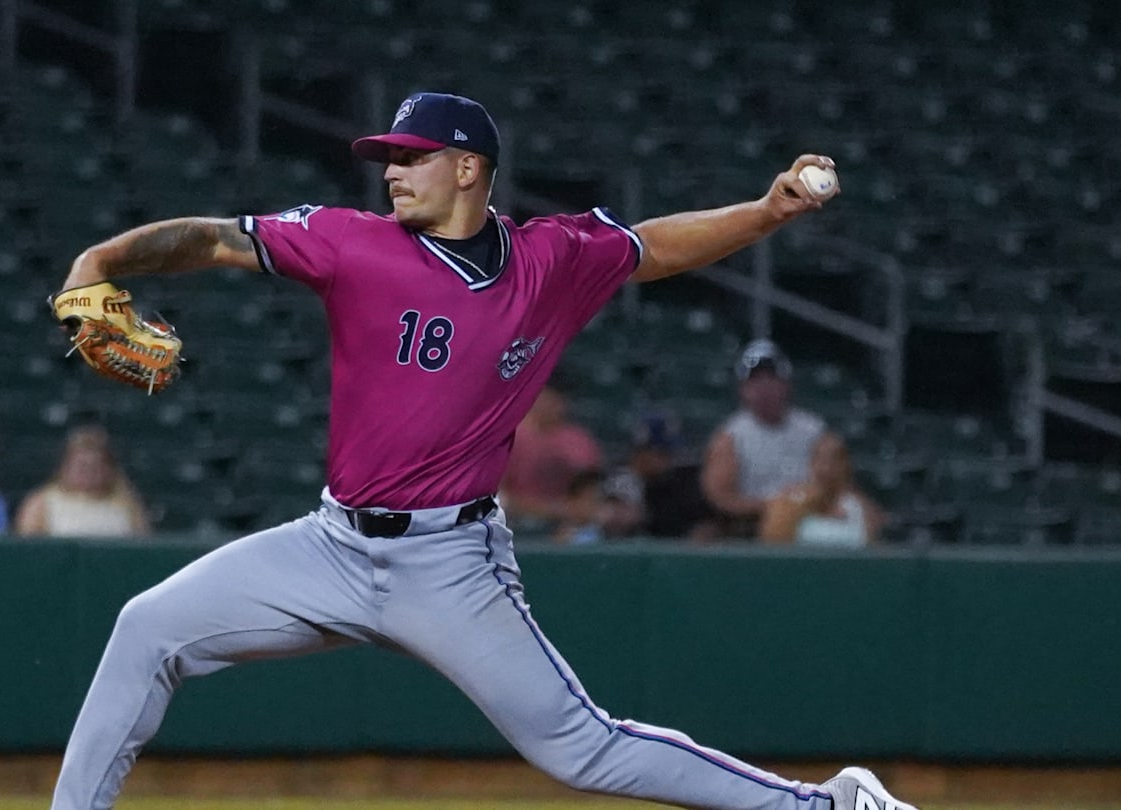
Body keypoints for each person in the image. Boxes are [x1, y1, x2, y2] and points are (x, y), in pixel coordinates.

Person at [45, 92, 913, 810]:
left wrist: (765, 212)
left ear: (468, 168)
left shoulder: (550, 260)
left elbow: (656, 244)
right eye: (389, 155)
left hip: (451, 562)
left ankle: (828, 804)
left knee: (581, 748)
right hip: (331, 544)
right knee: (146, 627)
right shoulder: (352, 240)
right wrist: (101, 257)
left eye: (411, 155)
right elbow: (213, 237)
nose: (390, 169)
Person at [700, 339, 829, 539]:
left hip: (812, 522)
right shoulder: (731, 437)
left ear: (786, 384)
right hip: (754, 528)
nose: (764, 386)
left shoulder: (813, 430)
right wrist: (774, 506)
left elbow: (835, 482)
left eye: (772, 378)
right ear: (743, 389)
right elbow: (720, 497)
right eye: (756, 380)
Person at [498, 383, 605, 528]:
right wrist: (553, 510)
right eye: (543, 398)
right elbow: (498, 497)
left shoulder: (579, 441)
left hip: (570, 525)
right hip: (516, 522)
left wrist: (575, 512)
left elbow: (590, 493)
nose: (549, 405)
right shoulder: (510, 437)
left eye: (555, 400)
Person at [14, 425, 149, 538]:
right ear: (65, 467)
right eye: (81, 466)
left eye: (95, 467)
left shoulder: (128, 504)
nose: (88, 473)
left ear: (109, 469)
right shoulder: (41, 503)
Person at [603, 412, 722, 541]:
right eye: (661, 453)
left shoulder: (667, 482)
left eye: (669, 453)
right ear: (641, 451)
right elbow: (615, 524)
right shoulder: (622, 481)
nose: (668, 459)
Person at [760, 433, 884, 548]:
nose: (826, 467)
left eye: (834, 460)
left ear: (846, 465)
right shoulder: (790, 501)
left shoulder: (860, 507)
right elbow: (773, 543)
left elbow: (873, 551)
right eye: (820, 459)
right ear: (811, 463)